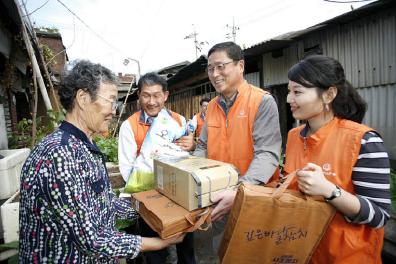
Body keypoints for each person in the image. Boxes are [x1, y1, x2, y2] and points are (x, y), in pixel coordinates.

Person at [19, 60, 185, 263]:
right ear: (83, 98)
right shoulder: (59, 154)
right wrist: (159, 243)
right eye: (111, 101)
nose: (114, 111)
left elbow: (105, 205)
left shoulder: (82, 145)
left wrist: (152, 206)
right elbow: (92, 240)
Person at [284, 55, 390, 263]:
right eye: (289, 91)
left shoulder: (364, 140)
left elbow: (379, 216)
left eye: (297, 92)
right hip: (300, 253)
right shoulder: (293, 137)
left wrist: (329, 191)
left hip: (346, 257)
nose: (289, 99)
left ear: (329, 94)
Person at [193, 41, 282, 248]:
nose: (215, 74)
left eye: (220, 66)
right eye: (210, 68)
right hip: (218, 198)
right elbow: (202, 146)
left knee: (252, 254)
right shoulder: (213, 106)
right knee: (223, 251)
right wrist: (192, 176)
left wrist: (239, 192)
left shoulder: (262, 101)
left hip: (253, 197)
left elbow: (267, 154)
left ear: (240, 66)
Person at [118, 72, 196, 264]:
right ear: (139, 95)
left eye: (156, 95)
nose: (151, 101)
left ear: (166, 95)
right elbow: (127, 169)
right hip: (149, 199)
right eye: (146, 95)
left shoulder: (178, 120)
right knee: (155, 255)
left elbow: (186, 156)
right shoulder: (129, 126)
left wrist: (191, 145)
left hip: (179, 197)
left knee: (187, 248)